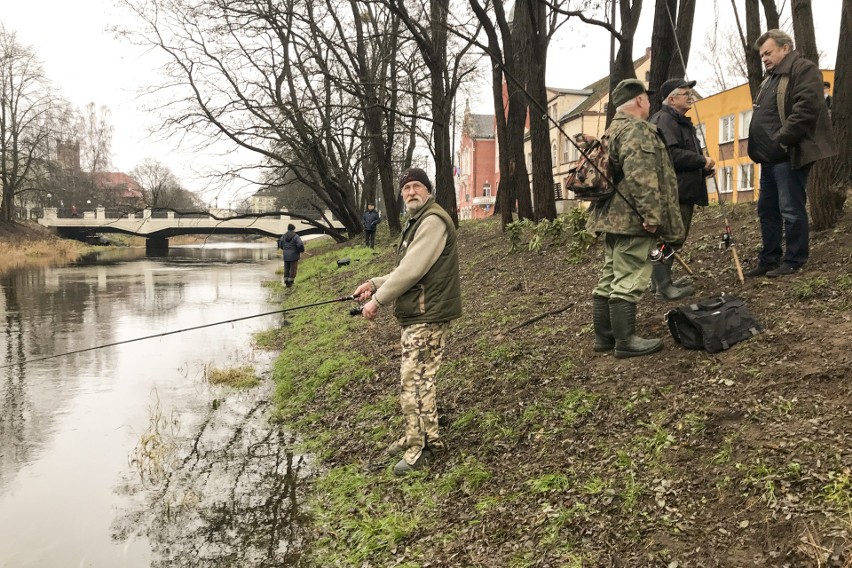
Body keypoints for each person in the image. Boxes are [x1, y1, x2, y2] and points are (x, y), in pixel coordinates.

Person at [352, 167, 462, 476]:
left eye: (416, 186)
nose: (411, 192)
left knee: (415, 382)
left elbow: (412, 270)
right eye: (406, 188)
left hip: (428, 316)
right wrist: (374, 283)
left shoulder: (432, 221)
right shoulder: (419, 221)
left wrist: (378, 300)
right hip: (418, 314)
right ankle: (416, 435)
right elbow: (409, 269)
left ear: (428, 191)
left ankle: (422, 447)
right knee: (413, 380)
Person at [588, 79, 684, 359]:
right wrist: (651, 215)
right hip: (632, 220)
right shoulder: (636, 130)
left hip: (611, 218)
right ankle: (625, 341)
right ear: (641, 101)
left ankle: (604, 338)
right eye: (647, 98)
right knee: (629, 277)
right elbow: (641, 176)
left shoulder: (612, 130)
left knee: (610, 276)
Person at [745, 29, 837, 278]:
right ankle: (769, 259)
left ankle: (795, 259)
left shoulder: (803, 70)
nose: (763, 58)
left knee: (790, 209)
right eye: (762, 54)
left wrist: (781, 140)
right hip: (768, 159)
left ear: (785, 48)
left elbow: (806, 108)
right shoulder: (770, 79)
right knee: (767, 210)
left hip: (788, 154)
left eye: (768, 52)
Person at [649, 77, 716, 300]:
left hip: (682, 189)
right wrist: (701, 161)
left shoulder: (678, 120)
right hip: (673, 192)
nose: (691, 98)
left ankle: (659, 281)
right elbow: (673, 155)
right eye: (686, 94)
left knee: (670, 238)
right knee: (669, 239)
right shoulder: (665, 120)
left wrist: (703, 168)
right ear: (672, 98)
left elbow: (685, 153)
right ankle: (663, 286)